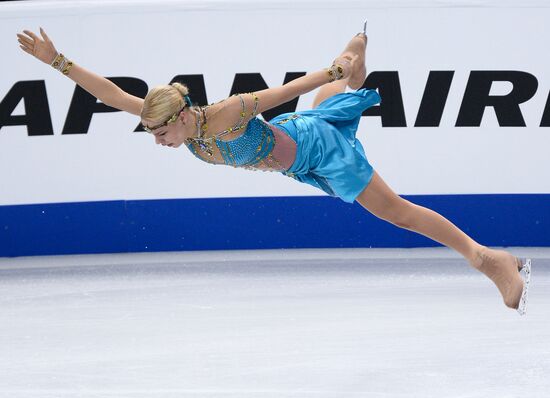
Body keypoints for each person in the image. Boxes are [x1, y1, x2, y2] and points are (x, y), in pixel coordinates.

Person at [16, 24, 531, 314]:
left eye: (161, 134)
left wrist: (325, 74)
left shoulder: (225, 114)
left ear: (182, 116)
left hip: (319, 151)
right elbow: (112, 94)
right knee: (330, 100)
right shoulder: (172, 117)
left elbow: (282, 92)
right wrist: (56, 61)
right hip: (296, 147)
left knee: (394, 212)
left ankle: (486, 259)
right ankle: (355, 50)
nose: (158, 142)